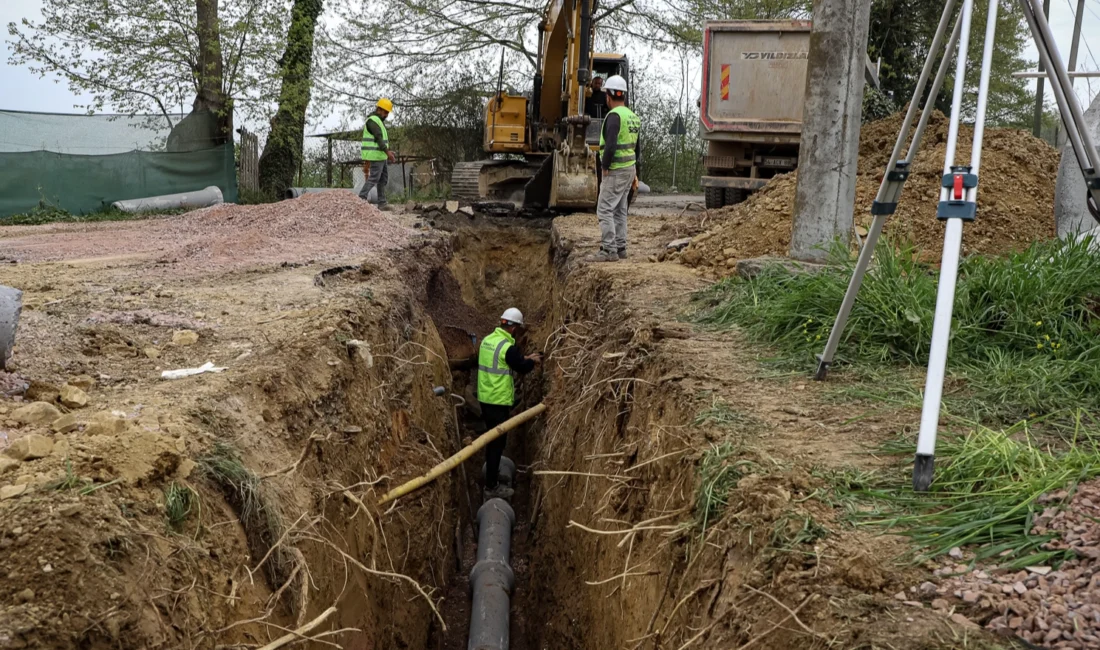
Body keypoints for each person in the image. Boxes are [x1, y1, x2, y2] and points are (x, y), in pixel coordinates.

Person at [477, 308, 542, 499]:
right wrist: (532, 362)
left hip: (485, 398)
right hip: (498, 401)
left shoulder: (488, 341)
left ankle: (491, 474)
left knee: (491, 439)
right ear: (514, 329)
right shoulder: (508, 348)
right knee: (497, 443)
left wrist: (525, 358)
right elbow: (520, 367)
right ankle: (491, 486)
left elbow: (508, 361)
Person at [591, 75, 640, 262]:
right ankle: (621, 248)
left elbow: (610, 145)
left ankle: (608, 250)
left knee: (604, 209)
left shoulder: (613, 117)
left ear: (608, 97)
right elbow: (637, 147)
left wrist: (605, 167)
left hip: (616, 169)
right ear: (624, 96)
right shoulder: (633, 117)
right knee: (620, 210)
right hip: (629, 169)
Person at [359, 98, 397, 210]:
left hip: (381, 155)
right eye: (385, 112)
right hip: (375, 155)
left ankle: (382, 203)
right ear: (379, 109)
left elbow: (382, 140)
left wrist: (387, 152)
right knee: (374, 178)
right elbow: (378, 138)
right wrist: (387, 152)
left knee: (383, 179)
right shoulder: (373, 121)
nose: (386, 115)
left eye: (387, 113)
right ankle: (361, 199)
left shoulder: (378, 121)